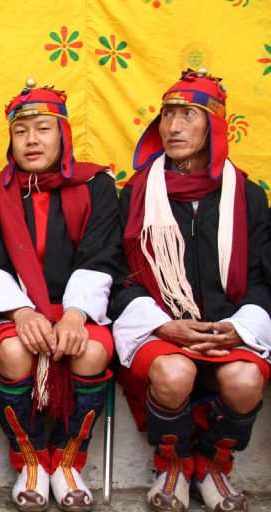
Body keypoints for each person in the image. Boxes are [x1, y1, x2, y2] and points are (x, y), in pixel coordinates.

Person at [111, 68, 271, 512]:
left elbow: (263, 276)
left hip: (229, 326)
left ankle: (213, 466)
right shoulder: (137, 194)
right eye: (167, 116)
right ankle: (172, 465)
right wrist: (165, 325)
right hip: (162, 330)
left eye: (188, 115)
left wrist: (240, 328)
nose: (174, 127)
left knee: (244, 379)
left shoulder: (248, 197)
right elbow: (120, 275)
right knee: (173, 373)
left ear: (214, 126)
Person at [0, 79, 122, 512]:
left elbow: (101, 253)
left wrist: (75, 315)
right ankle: (31, 459)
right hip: (15, 310)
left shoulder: (96, 187)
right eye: (21, 131)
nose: (31, 140)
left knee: (91, 353)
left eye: (43, 128)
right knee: (16, 354)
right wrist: (20, 312)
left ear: (64, 133)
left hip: (80, 309)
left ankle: (69, 461)